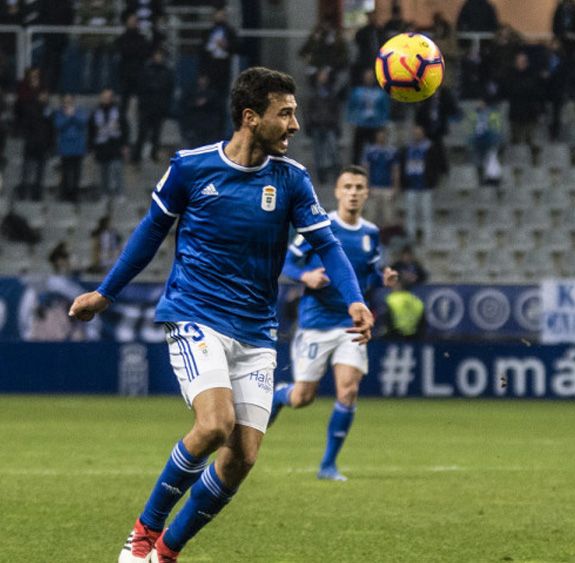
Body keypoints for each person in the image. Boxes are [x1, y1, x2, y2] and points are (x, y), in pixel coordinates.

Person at [68, 67, 374, 563]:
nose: (295, 125)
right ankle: (144, 531)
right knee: (213, 426)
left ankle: (165, 553)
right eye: (286, 113)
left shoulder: (292, 180)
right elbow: (150, 233)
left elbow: (327, 245)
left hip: (256, 330)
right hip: (196, 314)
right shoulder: (191, 168)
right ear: (251, 117)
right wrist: (106, 293)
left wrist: (355, 297)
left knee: (241, 459)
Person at [269, 165, 397, 481]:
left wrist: (383, 277)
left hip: (350, 323)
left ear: (367, 194)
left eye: (359, 187)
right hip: (315, 322)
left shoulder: (370, 233)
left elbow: (365, 273)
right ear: (338, 192)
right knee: (303, 398)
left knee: (348, 390)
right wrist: (305, 276)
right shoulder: (320, 226)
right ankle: (279, 395)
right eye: (348, 187)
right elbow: (286, 260)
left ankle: (328, 465)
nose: (353, 192)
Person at [89, 88, 129, 201]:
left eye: (108, 97)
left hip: (116, 145)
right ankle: (104, 192)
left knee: (117, 169)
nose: (106, 99)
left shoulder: (118, 111)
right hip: (102, 146)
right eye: (104, 97)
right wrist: (91, 147)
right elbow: (91, 130)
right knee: (103, 172)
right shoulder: (96, 112)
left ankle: (119, 192)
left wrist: (125, 145)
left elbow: (125, 128)